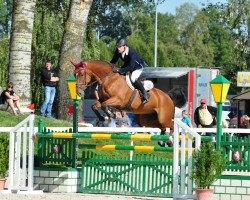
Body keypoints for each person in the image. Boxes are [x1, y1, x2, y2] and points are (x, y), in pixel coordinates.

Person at [110, 38, 150, 104]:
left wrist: (120, 70)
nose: (118, 48)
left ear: (125, 46)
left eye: (119, 47)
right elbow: (113, 61)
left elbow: (131, 67)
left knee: (133, 78)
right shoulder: (118, 51)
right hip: (129, 65)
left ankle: (145, 93)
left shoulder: (132, 52)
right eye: (117, 47)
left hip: (139, 67)